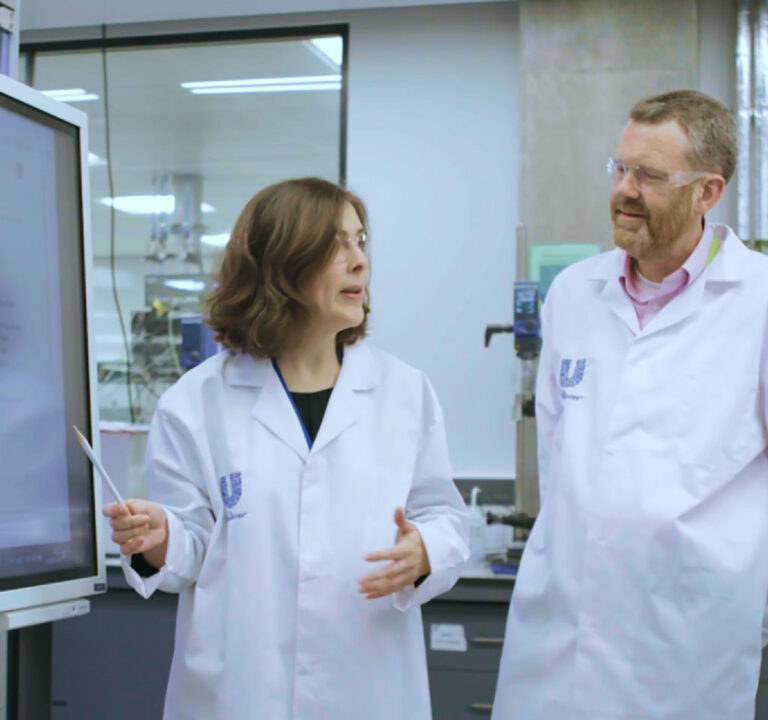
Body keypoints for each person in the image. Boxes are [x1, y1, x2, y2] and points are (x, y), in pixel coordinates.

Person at [103, 177, 469, 720]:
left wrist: (425, 551)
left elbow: (445, 517)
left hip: (367, 686)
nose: (360, 263)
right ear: (281, 264)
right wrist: (162, 537)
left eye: (361, 242)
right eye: (337, 245)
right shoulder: (196, 402)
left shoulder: (403, 392)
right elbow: (191, 547)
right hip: (240, 693)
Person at [492, 90, 768, 719]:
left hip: (686, 646)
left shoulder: (758, 302)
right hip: (557, 635)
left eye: (649, 175)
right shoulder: (574, 294)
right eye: (620, 168)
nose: (624, 190)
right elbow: (561, 458)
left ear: (707, 191)